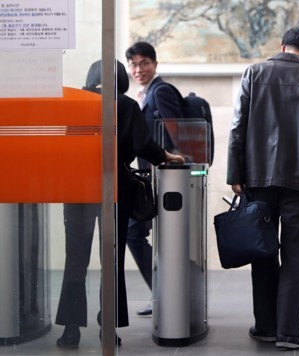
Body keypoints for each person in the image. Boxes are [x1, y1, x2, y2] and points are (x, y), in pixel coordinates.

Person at [227, 26, 299, 351]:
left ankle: (265, 326)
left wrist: (235, 172)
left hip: (257, 178)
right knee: (296, 254)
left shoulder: (254, 72)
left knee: (262, 251)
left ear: (282, 47)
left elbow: (238, 124)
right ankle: (288, 333)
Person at [55, 60, 185, 348]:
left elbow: (64, 145)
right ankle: (108, 329)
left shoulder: (78, 102)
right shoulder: (125, 105)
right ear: (122, 78)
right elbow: (142, 146)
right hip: (115, 189)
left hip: (77, 189)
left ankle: (71, 330)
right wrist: (166, 156)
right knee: (111, 262)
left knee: (75, 259)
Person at [125, 41, 184, 315]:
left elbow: (177, 131)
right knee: (149, 235)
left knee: (136, 233)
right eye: (134, 64)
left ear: (155, 64)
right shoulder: (145, 94)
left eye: (144, 63)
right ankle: (167, 295)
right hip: (154, 177)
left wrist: (171, 157)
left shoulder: (160, 92)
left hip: (164, 177)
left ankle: (165, 295)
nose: (139, 69)